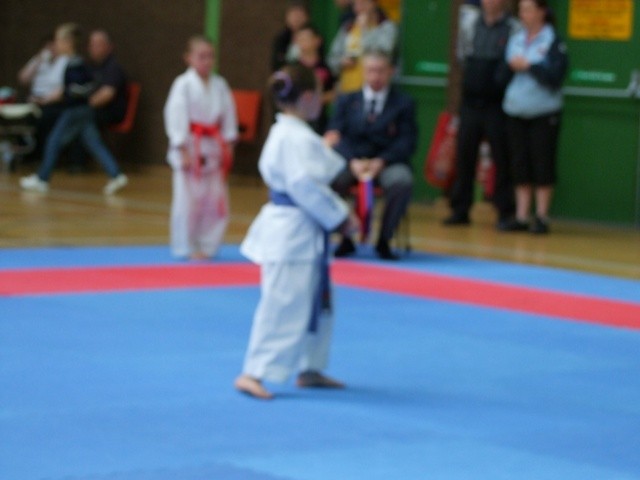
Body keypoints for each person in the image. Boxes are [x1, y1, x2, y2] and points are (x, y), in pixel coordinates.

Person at [235, 64, 357, 400]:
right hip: (292, 234)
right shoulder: (293, 136)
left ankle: (310, 367)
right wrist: (341, 218)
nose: (322, 99)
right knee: (283, 305)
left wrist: (323, 148)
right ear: (306, 98)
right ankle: (253, 372)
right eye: (318, 93)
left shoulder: (294, 133)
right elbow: (305, 186)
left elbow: (311, 172)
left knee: (317, 303)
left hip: (303, 232)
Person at [325, 49, 417, 260]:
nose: (375, 76)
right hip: (352, 161)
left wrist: (381, 161)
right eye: (371, 70)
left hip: (387, 162)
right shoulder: (346, 100)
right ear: (364, 72)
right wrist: (352, 161)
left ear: (391, 71)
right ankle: (345, 237)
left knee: (402, 181)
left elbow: (407, 141)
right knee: (331, 178)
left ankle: (384, 240)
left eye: (380, 71)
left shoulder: (404, 103)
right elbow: (335, 136)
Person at [19, 23, 128, 195]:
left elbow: (81, 88)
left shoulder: (76, 64)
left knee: (54, 141)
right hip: (81, 110)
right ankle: (116, 174)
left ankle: (42, 179)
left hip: (77, 110)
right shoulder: (72, 63)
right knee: (93, 142)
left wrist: (65, 94)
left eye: (58, 41)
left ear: (68, 42)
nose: (56, 45)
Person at [443, 0, 519, 229]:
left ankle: (505, 210)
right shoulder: (471, 24)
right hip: (470, 102)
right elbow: (461, 57)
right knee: (465, 155)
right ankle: (460, 208)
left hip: (497, 104)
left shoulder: (512, 27)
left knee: (502, 158)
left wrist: (499, 82)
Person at [163, 35, 238, 261]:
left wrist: (229, 144)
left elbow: (229, 117)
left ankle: (208, 246)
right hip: (190, 146)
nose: (207, 61)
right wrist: (182, 148)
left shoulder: (220, 84)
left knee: (215, 202)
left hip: (214, 148)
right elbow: (175, 116)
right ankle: (184, 246)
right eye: (201, 56)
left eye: (210, 56)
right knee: (187, 203)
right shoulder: (183, 84)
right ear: (188, 58)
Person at [501, 0, 568, 234]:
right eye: (521, 10)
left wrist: (529, 66)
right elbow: (504, 72)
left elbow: (556, 76)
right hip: (515, 110)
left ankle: (541, 216)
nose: (524, 14)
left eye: (528, 10)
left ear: (541, 12)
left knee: (542, 163)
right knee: (519, 164)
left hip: (543, 112)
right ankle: (521, 216)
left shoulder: (553, 41)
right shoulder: (516, 38)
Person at [68, 29, 128, 172]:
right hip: (92, 110)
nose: (93, 48)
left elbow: (106, 95)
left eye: (98, 45)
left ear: (109, 47)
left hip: (110, 111)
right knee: (75, 117)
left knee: (80, 118)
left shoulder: (113, 68)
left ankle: (80, 162)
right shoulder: (90, 67)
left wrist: (84, 105)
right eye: (91, 45)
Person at [17, 33, 70, 159]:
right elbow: (22, 79)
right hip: (34, 99)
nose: (51, 50)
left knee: (45, 118)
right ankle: (25, 153)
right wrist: (38, 61)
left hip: (53, 102)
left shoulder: (65, 62)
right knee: (22, 117)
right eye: (47, 47)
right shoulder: (38, 60)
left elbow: (65, 88)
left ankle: (42, 154)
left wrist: (44, 101)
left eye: (53, 47)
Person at [327, 0, 397, 93]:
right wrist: (341, 62)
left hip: (374, 90)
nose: (359, 8)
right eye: (356, 4)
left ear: (373, 4)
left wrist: (365, 30)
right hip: (347, 89)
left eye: (363, 3)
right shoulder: (348, 27)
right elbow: (331, 58)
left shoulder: (386, 27)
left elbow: (383, 52)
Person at [292, 23, 335, 133]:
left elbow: (334, 92)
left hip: (321, 122)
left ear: (317, 40)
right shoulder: (292, 69)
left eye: (306, 38)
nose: (302, 42)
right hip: (297, 121)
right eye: (300, 39)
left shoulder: (327, 67)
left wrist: (320, 99)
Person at [271, 0, 311, 72]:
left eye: (299, 15)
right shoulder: (281, 38)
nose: (296, 19)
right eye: (293, 15)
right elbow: (276, 63)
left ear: (307, 17)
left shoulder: (312, 36)